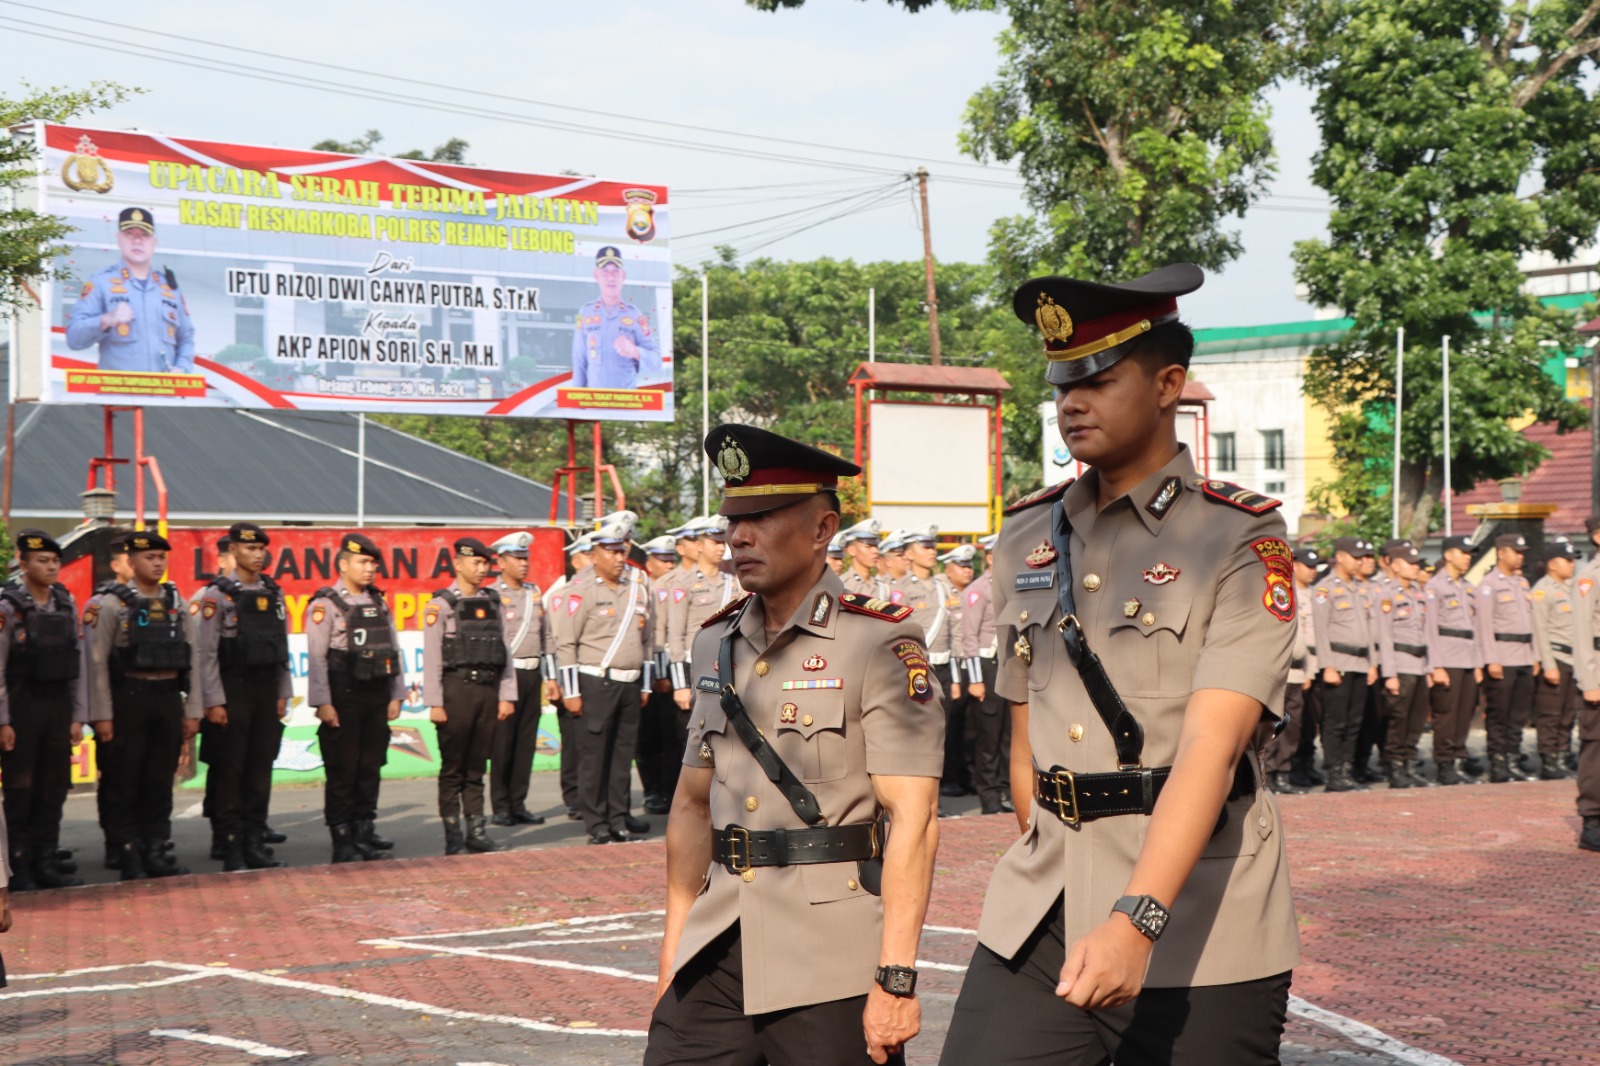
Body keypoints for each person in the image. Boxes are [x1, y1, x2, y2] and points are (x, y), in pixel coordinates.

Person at [940, 263, 1298, 1065]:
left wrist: (1137, 917)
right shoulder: (1028, 534)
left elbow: (1212, 749)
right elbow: (1025, 726)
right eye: (1063, 381)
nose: (1072, 400)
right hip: (1049, 898)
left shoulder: (1238, 540)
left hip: (1203, 909)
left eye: (1098, 378)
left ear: (1169, 383)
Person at [647, 423, 944, 1066]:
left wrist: (895, 978)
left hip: (828, 953)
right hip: (718, 941)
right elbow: (692, 807)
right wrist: (674, 951)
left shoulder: (880, 643)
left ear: (820, 529)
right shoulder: (712, 643)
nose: (739, 536)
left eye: (760, 516)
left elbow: (913, 818)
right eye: (732, 519)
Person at [86, 531, 202, 880]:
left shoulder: (176, 604)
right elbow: (96, 664)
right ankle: (127, 852)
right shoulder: (110, 604)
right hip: (128, 700)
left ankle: (156, 848)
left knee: (158, 779)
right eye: (149, 557)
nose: (156, 563)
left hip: (167, 698)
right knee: (124, 779)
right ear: (131, 562)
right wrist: (102, 716)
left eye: (161, 557)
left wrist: (193, 709)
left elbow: (193, 657)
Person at [553, 520, 656, 845]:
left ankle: (618, 816)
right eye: (610, 551)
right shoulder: (580, 591)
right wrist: (570, 691)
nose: (618, 557)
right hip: (595, 683)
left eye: (621, 550)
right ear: (594, 554)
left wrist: (645, 685)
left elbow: (649, 640)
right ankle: (596, 822)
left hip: (629, 684)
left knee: (622, 756)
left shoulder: (637, 587)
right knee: (594, 756)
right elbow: (566, 643)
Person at [195, 522, 291, 871]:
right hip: (233, 689)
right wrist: (213, 701)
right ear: (233, 552)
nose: (257, 555)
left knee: (259, 769)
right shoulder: (216, 596)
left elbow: (281, 648)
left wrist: (283, 693)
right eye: (250, 549)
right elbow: (206, 654)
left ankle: (255, 841)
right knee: (231, 770)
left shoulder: (274, 593)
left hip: (266, 689)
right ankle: (231, 844)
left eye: (261, 549)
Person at [307, 533, 406, 863]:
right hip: (343, 693)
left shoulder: (379, 602)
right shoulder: (326, 604)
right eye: (363, 562)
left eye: (373, 563)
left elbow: (393, 651)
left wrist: (397, 693)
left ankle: (365, 829)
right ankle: (342, 838)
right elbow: (317, 658)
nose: (369, 569)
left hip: (376, 693)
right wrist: (322, 702)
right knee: (343, 768)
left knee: (370, 765)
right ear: (343, 564)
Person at [0, 532, 90, 890]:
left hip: (56, 707)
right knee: (21, 789)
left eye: (55, 561)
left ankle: (46, 858)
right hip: (21, 706)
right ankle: (17, 866)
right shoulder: (7, 607)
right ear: (23, 564)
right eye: (42, 561)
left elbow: (76, 663)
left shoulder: (66, 604)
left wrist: (76, 716)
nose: (51, 567)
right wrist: (3, 720)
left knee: (53, 788)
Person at [423, 538, 517, 855]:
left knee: (477, 767)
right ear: (458, 563)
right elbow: (433, 657)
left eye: (484, 563)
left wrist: (506, 695)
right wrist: (435, 702)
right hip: (455, 692)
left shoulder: (493, 602)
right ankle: (453, 836)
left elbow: (505, 651)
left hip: (487, 691)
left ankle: (476, 832)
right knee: (454, 768)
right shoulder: (442, 604)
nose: (481, 569)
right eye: (475, 563)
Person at [483, 532, 557, 828]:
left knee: (526, 742)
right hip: (505, 675)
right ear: (501, 562)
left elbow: (546, 637)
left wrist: (551, 677)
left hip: (532, 673)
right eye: (517, 558)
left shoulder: (534, 593)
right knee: (503, 743)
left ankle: (518, 803)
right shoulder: (491, 595)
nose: (524, 564)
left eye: (526, 558)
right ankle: (501, 806)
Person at [65, 207, 196, 373]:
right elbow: (74, 338)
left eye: (144, 235)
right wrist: (106, 319)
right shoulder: (101, 282)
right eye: (130, 234)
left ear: (153, 243)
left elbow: (186, 338)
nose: (137, 241)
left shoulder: (169, 287)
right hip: (118, 395)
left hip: (164, 395)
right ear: (119, 239)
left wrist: (182, 368)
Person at [890, 527, 966, 797]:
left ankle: (941, 785)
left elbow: (955, 633)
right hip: (915, 668)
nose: (932, 551)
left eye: (932, 546)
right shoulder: (899, 590)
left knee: (945, 729)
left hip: (945, 667)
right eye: (925, 547)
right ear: (909, 553)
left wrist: (956, 678)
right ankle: (915, 789)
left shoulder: (943, 587)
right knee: (918, 730)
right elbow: (895, 632)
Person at [1312, 538, 1380, 792]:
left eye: (1362, 558)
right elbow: (1320, 630)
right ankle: (1333, 772)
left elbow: (1368, 629)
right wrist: (1327, 666)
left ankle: (1346, 769)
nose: (1360, 562)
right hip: (1338, 663)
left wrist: (1372, 663)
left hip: (1361, 663)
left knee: (1354, 722)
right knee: (1335, 721)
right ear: (1340, 557)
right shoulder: (1324, 589)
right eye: (1356, 557)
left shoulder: (1360, 589)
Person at [1425, 535, 1484, 785]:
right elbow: (1429, 629)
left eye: (1470, 552)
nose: (1468, 556)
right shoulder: (1434, 587)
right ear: (1449, 555)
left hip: (1468, 658)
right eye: (1463, 552)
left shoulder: (1468, 587)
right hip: (1447, 658)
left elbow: (1476, 627)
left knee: (1464, 713)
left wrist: (1479, 662)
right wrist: (1436, 665)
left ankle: (1459, 758)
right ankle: (1445, 763)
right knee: (1446, 714)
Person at [960, 534, 1012, 815]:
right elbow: (969, 638)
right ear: (989, 558)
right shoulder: (977, 590)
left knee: (1008, 734)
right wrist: (976, 679)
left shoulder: (1011, 584)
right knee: (988, 737)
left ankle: (1006, 790)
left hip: (1009, 664)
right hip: (987, 667)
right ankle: (989, 797)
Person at [1478, 533, 1536, 783]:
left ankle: (1513, 758)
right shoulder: (1489, 584)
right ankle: (1499, 762)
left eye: (1522, 552)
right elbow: (1484, 625)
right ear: (1501, 553)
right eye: (1516, 551)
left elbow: (1531, 622)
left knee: (1519, 714)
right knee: (1499, 713)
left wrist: (1535, 656)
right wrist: (1491, 659)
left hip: (1523, 654)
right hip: (1502, 655)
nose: (1520, 556)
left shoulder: (1521, 583)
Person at [1375, 545, 1433, 789]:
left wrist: (1430, 667)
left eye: (1418, 563)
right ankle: (1395, 766)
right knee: (1398, 720)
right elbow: (1384, 636)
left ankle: (1409, 763)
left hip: (1419, 664)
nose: (1416, 567)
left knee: (1416, 719)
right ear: (1395, 565)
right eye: (1411, 563)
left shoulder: (1419, 593)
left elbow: (1427, 633)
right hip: (1400, 663)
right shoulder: (1387, 595)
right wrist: (1390, 674)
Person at [1263, 546, 1319, 794]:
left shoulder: (1301, 594)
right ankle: (1268, 774)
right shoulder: (1273, 590)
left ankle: (1283, 772)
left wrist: (1310, 672)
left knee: (1292, 727)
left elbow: (1307, 639)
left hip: (1297, 672)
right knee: (1270, 726)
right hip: (1277, 671)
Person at [546, 533, 595, 820]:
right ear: (576, 560)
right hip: (570, 680)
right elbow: (553, 643)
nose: (593, 560)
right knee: (573, 742)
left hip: (593, 677)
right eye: (588, 555)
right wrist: (556, 681)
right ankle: (573, 796)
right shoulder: (562, 595)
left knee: (591, 743)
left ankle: (590, 796)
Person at [571, 246, 662, 390]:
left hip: (626, 404)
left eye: (616, 271)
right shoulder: (585, 313)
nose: (611, 277)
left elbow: (656, 362)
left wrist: (634, 351)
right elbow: (579, 360)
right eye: (605, 271)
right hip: (594, 403)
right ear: (596, 275)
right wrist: (575, 403)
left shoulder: (634, 315)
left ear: (623, 276)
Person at [1531, 536, 1581, 780]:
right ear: (1552, 564)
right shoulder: (1543, 591)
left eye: (1574, 561)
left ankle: (1562, 755)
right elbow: (1539, 629)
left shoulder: (1575, 589)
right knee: (1550, 714)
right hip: (1556, 658)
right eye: (1567, 560)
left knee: (1569, 713)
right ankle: (1549, 760)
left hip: (1576, 660)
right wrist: (1548, 664)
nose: (1572, 565)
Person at [1287, 548, 1326, 788]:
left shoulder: (1317, 594)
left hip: (1318, 662)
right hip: (1299, 665)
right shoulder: (1287, 592)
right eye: (1308, 566)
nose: (1313, 571)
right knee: (1294, 723)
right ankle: (1291, 768)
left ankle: (1307, 764)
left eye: (1315, 567)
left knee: (1312, 721)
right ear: (1294, 564)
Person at [839, 518, 886, 598]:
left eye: (876, 546)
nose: (875, 551)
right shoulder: (841, 585)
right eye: (868, 546)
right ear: (851, 550)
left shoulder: (883, 588)